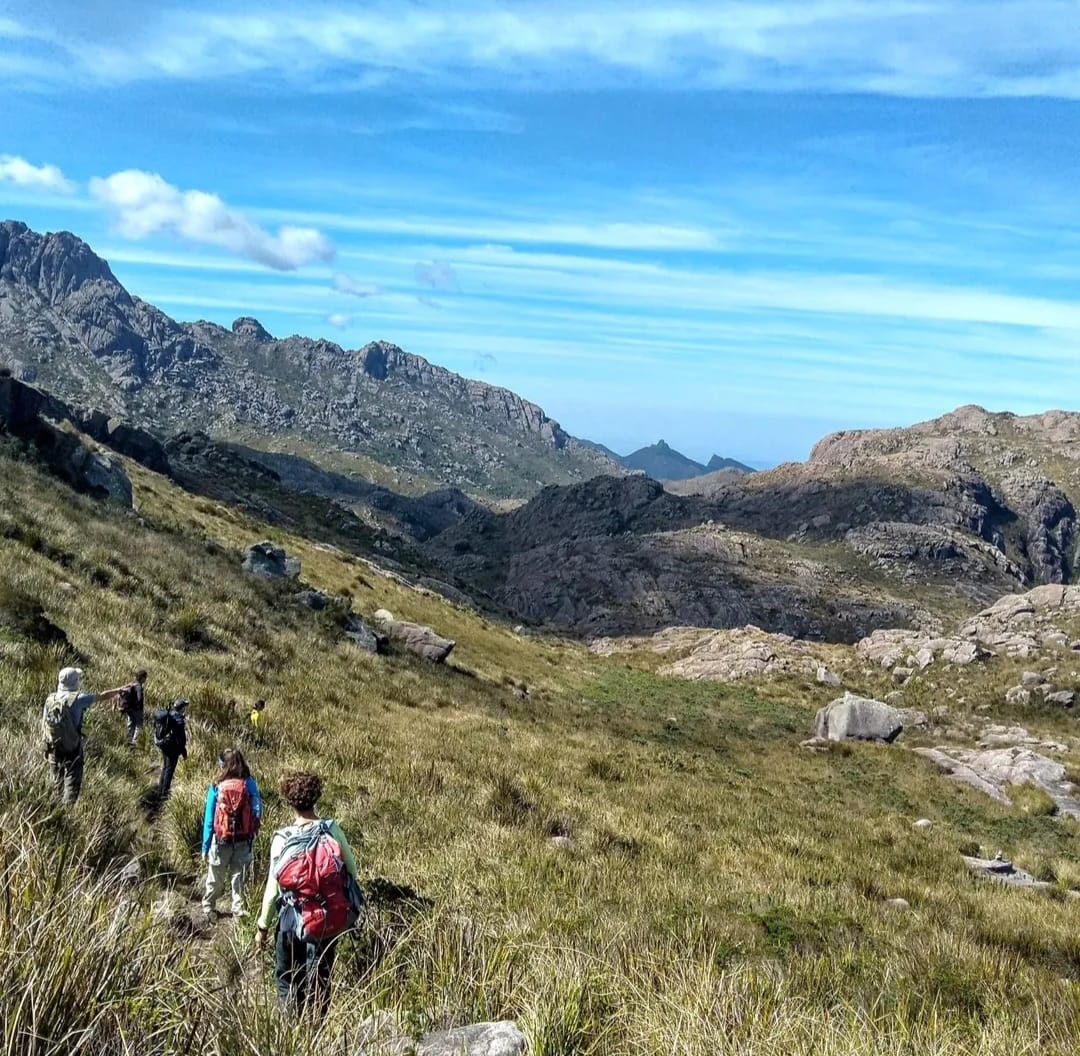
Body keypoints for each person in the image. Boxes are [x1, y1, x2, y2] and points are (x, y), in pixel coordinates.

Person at [256, 771, 361, 1019]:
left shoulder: (282, 838)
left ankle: (290, 1028)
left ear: (289, 802)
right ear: (316, 798)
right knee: (320, 981)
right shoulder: (332, 830)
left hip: (290, 922)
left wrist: (262, 927)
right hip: (326, 920)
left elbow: (272, 890)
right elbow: (352, 872)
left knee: (287, 980)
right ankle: (316, 1029)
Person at [41, 667, 126, 804]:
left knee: (56, 782)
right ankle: (67, 810)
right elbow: (102, 695)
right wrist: (119, 690)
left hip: (53, 746)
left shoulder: (50, 699)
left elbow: (45, 722)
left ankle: (54, 808)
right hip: (72, 747)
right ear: (74, 681)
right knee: (72, 781)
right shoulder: (79, 699)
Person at [201, 748, 262, 919]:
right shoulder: (249, 783)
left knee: (215, 877)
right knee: (239, 877)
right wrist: (253, 830)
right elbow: (257, 810)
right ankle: (238, 909)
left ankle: (208, 907)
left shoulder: (216, 786)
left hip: (221, 840)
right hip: (244, 839)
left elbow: (209, 819)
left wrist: (205, 846)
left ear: (224, 765)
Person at [151, 698, 189, 799]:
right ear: (181, 708)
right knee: (169, 770)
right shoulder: (179, 720)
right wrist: (183, 751)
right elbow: (181, 738)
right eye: (184, 707)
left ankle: (160, 790)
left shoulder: (170, 714)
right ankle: (164, 794)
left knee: (165, 768)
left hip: (165, 746)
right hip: (173, 748)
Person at [117, 669, 148, 749]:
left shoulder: (132, 684)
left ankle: (128, 740)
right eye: (145, 677)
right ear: (142, 678)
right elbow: (139, 698)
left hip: (129, 708)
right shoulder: (139, 687)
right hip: (137, 710)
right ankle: (133, 743)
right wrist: (138, 705)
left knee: (130, 723)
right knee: (138, 725)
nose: (145, 679)